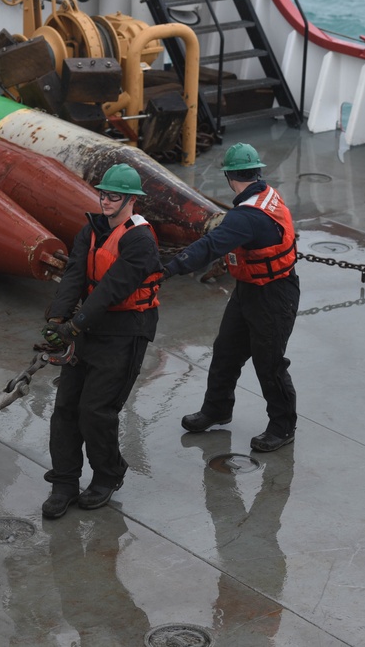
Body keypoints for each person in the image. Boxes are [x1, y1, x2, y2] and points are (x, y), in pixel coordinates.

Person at [39, 163, 163, 519]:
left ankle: (108, 474)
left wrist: (74, 326)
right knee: (66, 406)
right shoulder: (90, 230)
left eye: (114, 196)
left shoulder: (139, 240)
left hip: (125, 331)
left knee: (96, 410)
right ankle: (64, 481)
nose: (106, 200)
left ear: (131, 200)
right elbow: (75, 275)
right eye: (103, 194)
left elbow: (111, 290)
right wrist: (56, 320)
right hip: (92, 325)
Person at [162, 143, 300, 452]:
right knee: (226, 351)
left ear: (229, 177)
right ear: (256, 172)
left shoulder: (246, 217)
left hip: (274, 296)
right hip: (250, 290)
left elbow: (209, 246)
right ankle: (217, 409)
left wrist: (168, 269)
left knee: (270, 363)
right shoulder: (265, 196)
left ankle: (283, 426)